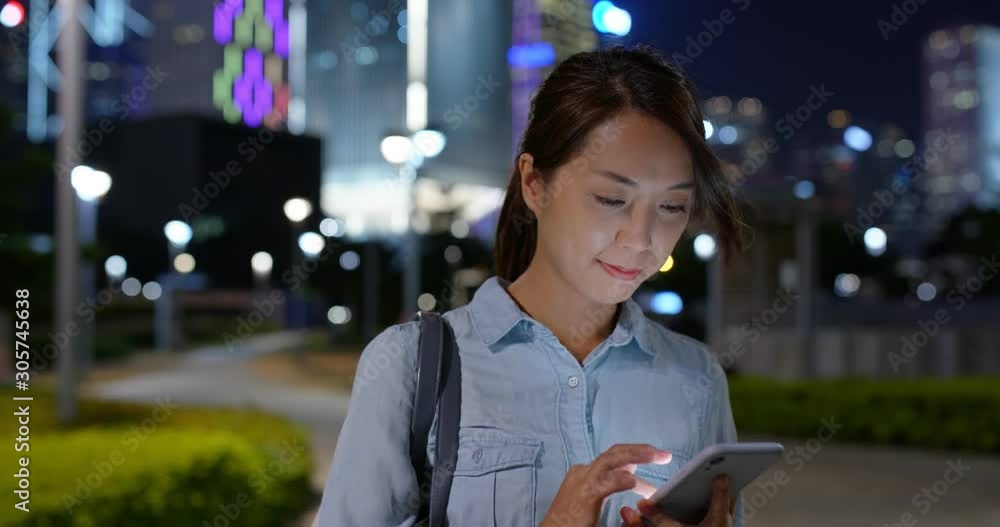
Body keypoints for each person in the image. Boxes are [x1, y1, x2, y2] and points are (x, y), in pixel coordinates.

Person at [317, 45, 746, 527]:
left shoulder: (696, 378)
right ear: (534, 183)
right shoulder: (412, 365)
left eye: (671, 207)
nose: (641, 240)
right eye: (610, 199)